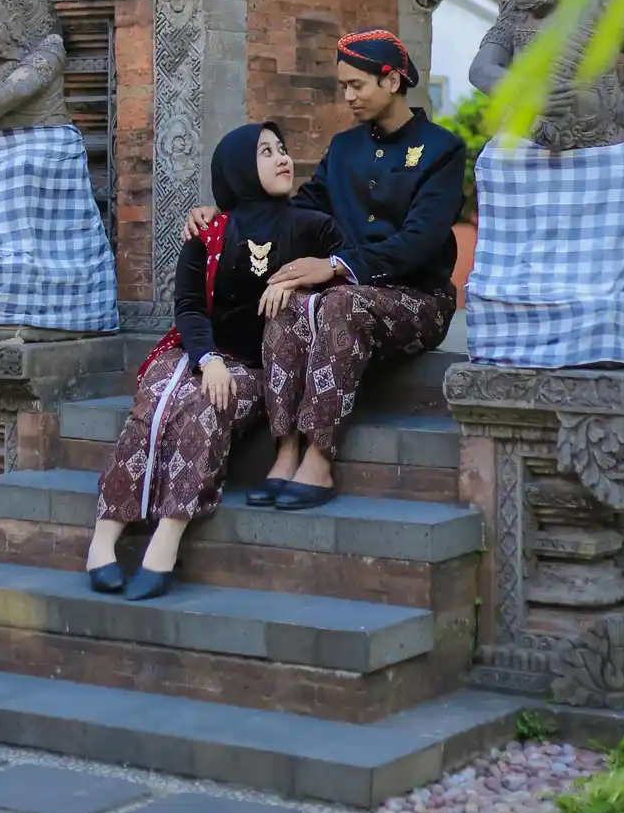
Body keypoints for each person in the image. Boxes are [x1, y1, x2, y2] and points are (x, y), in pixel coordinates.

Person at [185, 30, 465, 510]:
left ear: (392, 80)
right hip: (345, 294)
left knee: (338, 304)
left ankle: (318, 457)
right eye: (343, 86)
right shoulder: (344, 148)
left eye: (357, 85)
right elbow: (299, 209)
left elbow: (419, 241)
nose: (348, 96)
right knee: (284, 300)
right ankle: (285, 451)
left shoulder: (442, 150)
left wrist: (335, 263)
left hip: (420, 299)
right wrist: (226, 218)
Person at [87, 121, 344, 600]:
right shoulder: (209, 231)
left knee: (205, 407)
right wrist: (207, 358)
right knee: (159, 398)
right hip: (199, 353)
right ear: (238, 168)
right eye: (266, 152)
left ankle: (166, 539)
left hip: (260, 369)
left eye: (282, 149)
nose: (283, 158)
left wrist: (298, 280)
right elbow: (188, 307)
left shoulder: (313, 227)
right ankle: (103, 539)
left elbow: (347, 277)